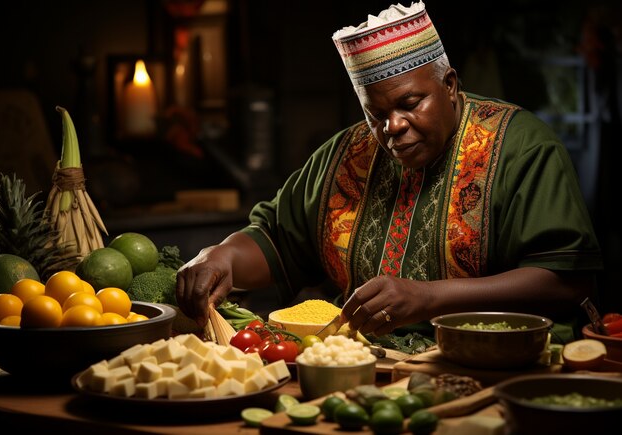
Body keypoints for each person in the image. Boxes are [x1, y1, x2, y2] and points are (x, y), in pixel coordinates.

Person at [176, 1, 602, 342]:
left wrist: (430, 298)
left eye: (410, 104)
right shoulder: (346, 154)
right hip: (367, 369)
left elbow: (564, 279)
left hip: (495, 365)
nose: (392, 127)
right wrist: (222, 257)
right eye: (375, 113)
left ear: (450, 85)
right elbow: (277, 240)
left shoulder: (522, 148)